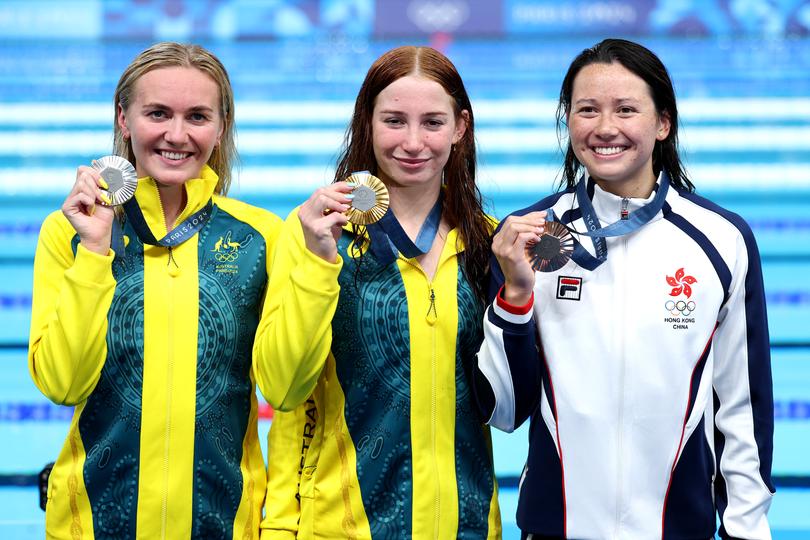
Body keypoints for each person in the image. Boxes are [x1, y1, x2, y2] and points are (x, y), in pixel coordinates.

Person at [474, 38, 774, 539]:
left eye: (626, 110)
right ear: (568, 122)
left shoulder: (722, 240)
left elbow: (741, 406)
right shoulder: (524, 237)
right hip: (555, 528)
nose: (605, 128)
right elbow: (504, 412)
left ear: (663, 123)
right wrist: (516, 296)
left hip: (678, 529)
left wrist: (747, 529)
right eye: (587, 110)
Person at [28, 42, 282, 538]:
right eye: (158, 113)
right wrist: (95, 250)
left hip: (227, 523)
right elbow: (63, 383)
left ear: (221, 126)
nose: (177, 134)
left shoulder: (261, 236)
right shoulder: (66, 233)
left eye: (198, 116)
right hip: (93, 522)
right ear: (123, 119)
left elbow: (287, 389)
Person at [253, 46, 501, 538]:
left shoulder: (488, 243)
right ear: (367, 123)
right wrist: (319, 262)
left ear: (461, 127)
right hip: (338, 527)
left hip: (467, 527)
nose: (413, 142)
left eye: (432, 122)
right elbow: (281, 388)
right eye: (394, 121)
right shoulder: (313, 234)